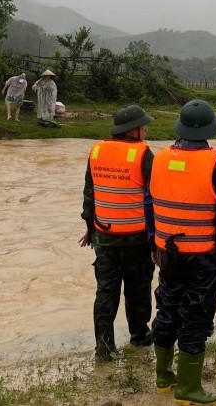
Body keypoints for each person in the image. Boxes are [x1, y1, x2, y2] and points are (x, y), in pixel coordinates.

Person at [147, 99, 216, 404]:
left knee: (166, 310)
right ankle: (189, 389)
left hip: (168, 251)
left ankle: (164, 377)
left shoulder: (160, 158)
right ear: (210, 129)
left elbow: (148, 204)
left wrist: (154, 241)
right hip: (203, 255)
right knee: (196, 316)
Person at [79, 105, 156, 361]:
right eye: (143, 126)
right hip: (137, 237)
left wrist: (89, 228)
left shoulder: (97, 150)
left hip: (104, 235)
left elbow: (89, 193)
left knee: (105, 291)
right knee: (138, 289)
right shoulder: (143, 154)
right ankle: (140, 336)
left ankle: (104, 347)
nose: (146, 130)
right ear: (132, 130)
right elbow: (154, 196)